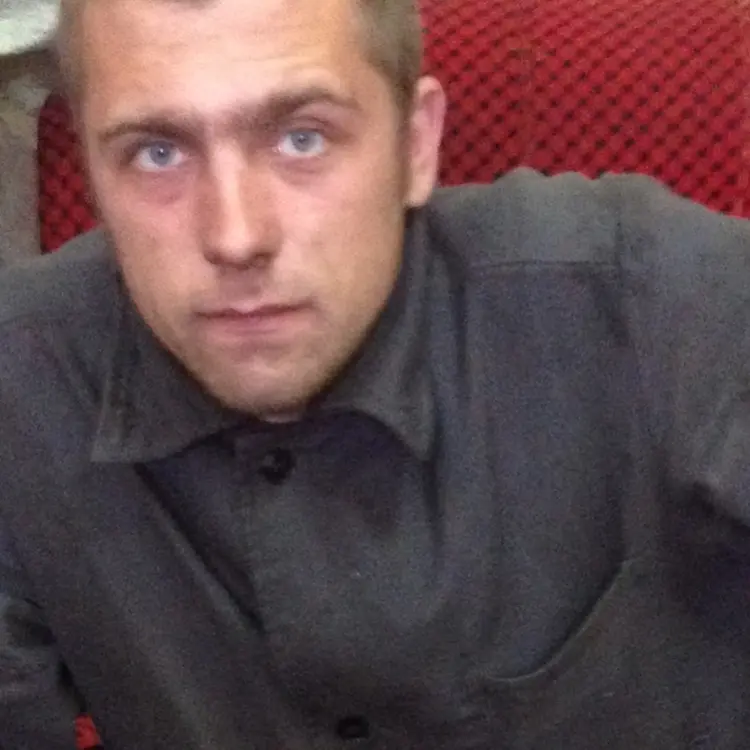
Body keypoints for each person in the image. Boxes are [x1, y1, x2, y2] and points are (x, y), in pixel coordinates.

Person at [2, 0, 750, 747]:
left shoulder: (653, 299)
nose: (235, 235)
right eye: (157, 153)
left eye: (302, 138)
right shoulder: (24, 383)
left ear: (415, 144)